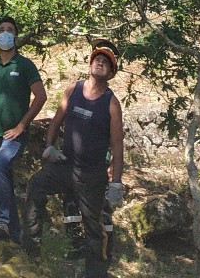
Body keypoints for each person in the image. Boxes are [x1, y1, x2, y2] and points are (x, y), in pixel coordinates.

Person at [23, 40, 124, 278]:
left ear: (111, 73)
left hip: (92, 175)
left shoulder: (111, 103)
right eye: (97, 59)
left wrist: (116, 182)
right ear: (90, 64)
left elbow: (117, 145)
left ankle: (96, 273)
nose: (100, 63)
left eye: (106, 62)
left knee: (93, 227)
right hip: (65, 166)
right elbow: (56, 120)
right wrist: (49, 147)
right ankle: (30, 251)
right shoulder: (73, 89)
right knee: (35, 186)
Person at [0, 17, 48, 242]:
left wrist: (22, 125)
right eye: (1, 30)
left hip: (14, 134)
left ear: (15, 36)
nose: (5, 33)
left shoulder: (24, 65)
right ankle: (15, 237)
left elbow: (40, 96)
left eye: (10, 30)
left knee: (1, 165)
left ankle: (1, 221)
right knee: (2, 179)